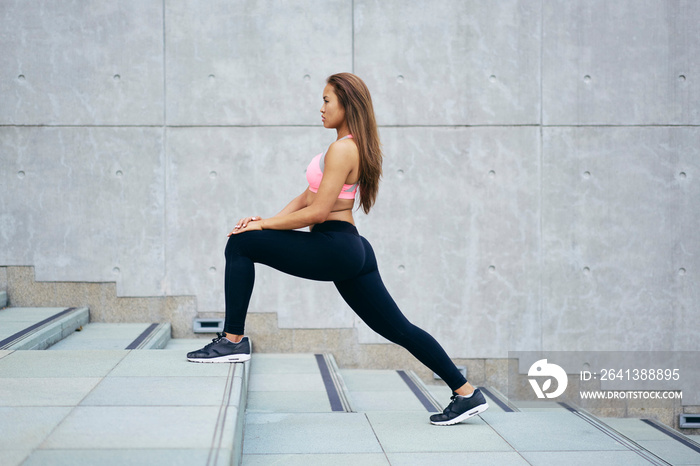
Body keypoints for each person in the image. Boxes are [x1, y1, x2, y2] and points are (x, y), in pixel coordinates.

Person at [186, 72, 488, 425]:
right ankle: (466, 392)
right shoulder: (349, 145)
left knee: (241, 244)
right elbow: (308, 196)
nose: (321, 107)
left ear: (346, 104)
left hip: (335, 245)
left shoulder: (343, 148)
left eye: (327, 100)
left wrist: (261, 227)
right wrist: (262, 220)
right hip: (351, 248)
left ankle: (233, 340)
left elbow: (317, 212)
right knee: (399, 329)